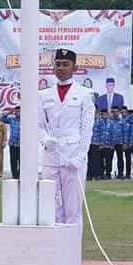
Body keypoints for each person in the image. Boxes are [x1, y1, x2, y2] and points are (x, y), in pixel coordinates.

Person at [38, 49, 96, 225]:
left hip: (73, 153)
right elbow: (38, 124)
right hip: (51, 153)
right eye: (58, 64)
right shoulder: (43, 94)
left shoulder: (85, 94)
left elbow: (87, 128)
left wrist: (80, 156)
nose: (61, 68)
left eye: (65, 64)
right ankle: (54, 250)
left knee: (73, 207)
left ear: (75, 67)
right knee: (50, 205)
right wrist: (45, 138)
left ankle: (72, 251)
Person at [5, 106, 21, 179]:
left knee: (21, 160)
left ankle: (20, 173)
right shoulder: (12, 120)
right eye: (17, 111)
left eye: (19, 111)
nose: (18, 113)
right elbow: (2, 119)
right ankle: (14, 174)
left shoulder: (25, 121)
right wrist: (9, 112)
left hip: (21, 144)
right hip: (12, 143)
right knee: (13, 159)